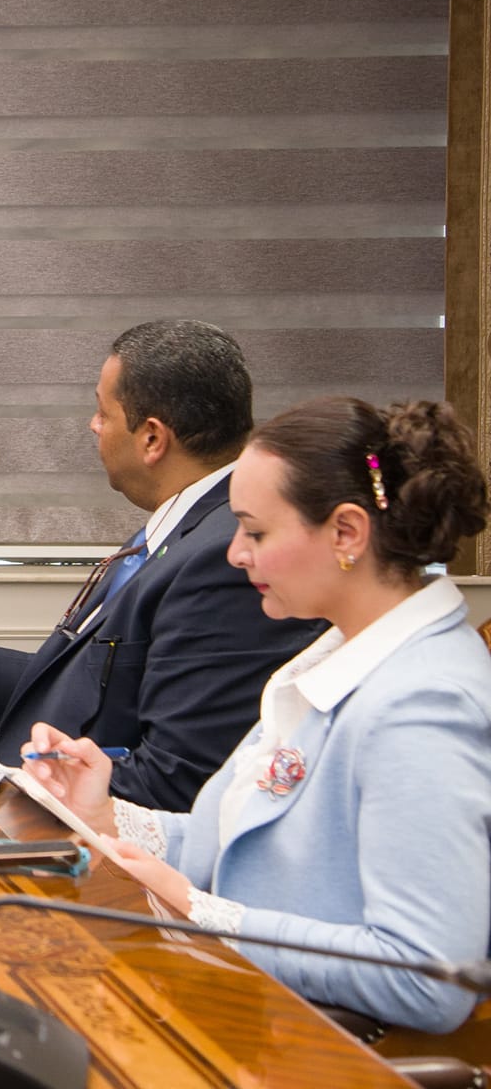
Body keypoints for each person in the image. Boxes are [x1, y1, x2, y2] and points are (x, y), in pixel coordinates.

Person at [25, 397, 491, 1034]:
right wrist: (105, 812)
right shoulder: (333, 657)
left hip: (313, 1051)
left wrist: (203, 915)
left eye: (256, 532)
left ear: (346, 533)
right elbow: (235, 847)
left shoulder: (425, 704)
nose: (236, 554)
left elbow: (427, 977)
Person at [0, 320, 322, 809]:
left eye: (102, 411)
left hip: (75, 838)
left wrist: (2, 795)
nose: (94, 425)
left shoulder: (225, 560)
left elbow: (178, 776)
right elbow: (102, 691)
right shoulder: (184, 527)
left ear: (152, 438)